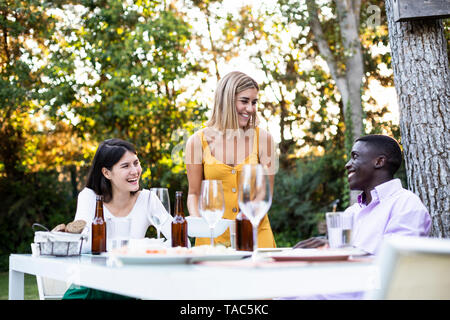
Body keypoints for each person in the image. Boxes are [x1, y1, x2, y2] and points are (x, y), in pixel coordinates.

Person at [287, 134, 431, 300]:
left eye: (355, 157)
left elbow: (394, 267)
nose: (348, 165)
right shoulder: (351, 212)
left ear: (379, 161)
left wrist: (340, 251)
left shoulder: (406, 205)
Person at [63, 138, 172, 299]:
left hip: (131, 287)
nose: (135, 171)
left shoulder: (148, 199)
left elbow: (180, 240)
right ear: (106, 173)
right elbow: (82, 244)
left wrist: (151, 250)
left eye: (136, 163)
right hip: (91, 286)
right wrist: (137, 246)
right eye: (125, 166)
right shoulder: (90, 197)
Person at [185, 71, 277, 248]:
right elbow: (194, 194)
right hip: (211, 239)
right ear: (226, 100)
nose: (250, 108)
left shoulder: (264, 139)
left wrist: (242, 230)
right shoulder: (197, 142)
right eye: (244, 101)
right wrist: (203, 226)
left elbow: (264, 195)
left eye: (254, 102)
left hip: (255, 236)